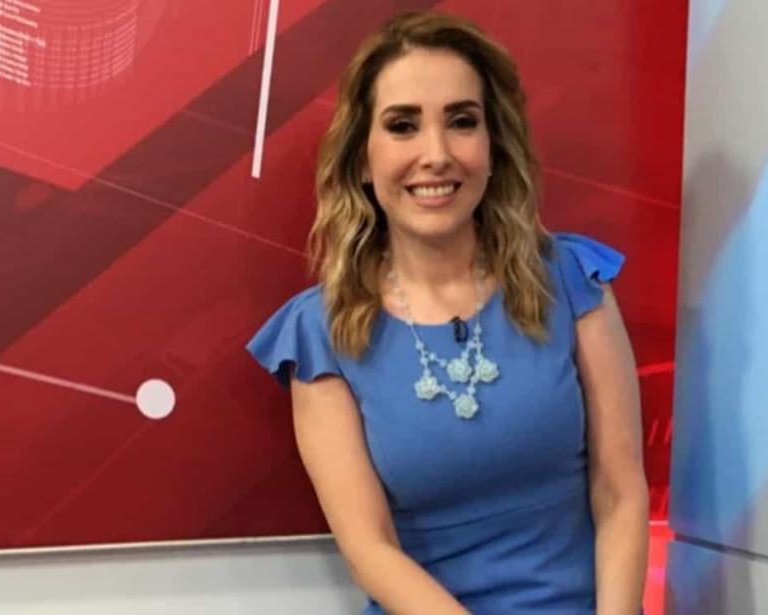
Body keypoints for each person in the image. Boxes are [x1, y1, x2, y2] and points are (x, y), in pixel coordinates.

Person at [246, 10, 648, 615]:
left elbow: (620, 493)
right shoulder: (319, 335)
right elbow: (370, 549)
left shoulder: (571, 280)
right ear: (362, 159)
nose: (436, 154)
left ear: (492, 146)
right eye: (403, 126)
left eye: (461, 121)